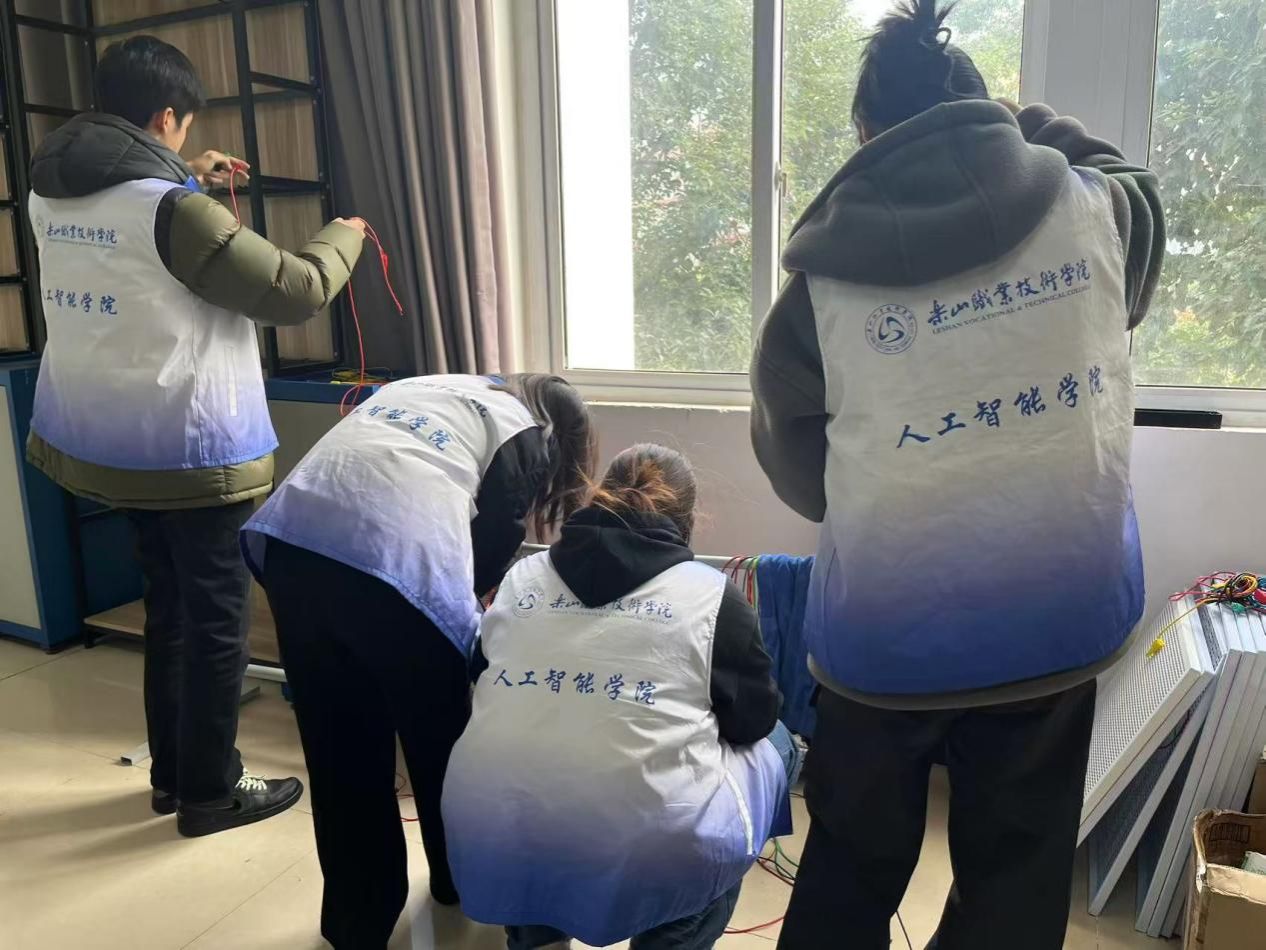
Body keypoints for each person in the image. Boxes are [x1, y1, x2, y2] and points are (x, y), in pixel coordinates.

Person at [749, 2, 1166, 948]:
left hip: (885, 635)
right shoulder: (1099, 213)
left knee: (850, 864)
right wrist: (1028, 123)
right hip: (1051, 620)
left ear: (865, 136)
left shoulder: (817, 293)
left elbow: (799, 471)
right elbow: (1139, 184)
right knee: (1016, 875)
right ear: (990, 114)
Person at [25, 36, 367, 838]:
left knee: (169, 611)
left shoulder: (50, 190)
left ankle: (172, 777)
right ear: (167, 117)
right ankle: (210, 793)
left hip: (109, 440)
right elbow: (294, 288)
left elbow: (135, 228)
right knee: (216, 620)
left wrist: (188, 174)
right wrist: (344, 233)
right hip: (191, 446)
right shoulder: (174, 210)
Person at [242, 373, 595, 949]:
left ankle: (356, 925)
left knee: (339, 750)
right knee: (444, 747)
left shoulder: (430, 385)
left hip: (295, 547)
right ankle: (459, 883)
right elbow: (486, 556)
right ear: (563, 436)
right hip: (394, 568)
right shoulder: (524, 431)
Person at [442, 444, 804, 950]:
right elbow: (753, 722)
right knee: (781, 742)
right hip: (656, 850)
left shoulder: (522, 576)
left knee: (537, 775)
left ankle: (536, 932)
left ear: (599, 499)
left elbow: (480, 675)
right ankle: (673, 931)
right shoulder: (711, 595)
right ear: (687, 523)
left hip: (492, 825)